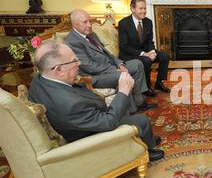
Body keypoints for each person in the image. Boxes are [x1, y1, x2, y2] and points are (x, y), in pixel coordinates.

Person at [28, 40, 164, 161]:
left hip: (84, 119)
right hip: (89, 135)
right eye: (74, 60)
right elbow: (108, 123)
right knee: (142, 120)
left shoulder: (39, 79)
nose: (79, 64)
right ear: (59, 70)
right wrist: (123, 91)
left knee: (126, 113)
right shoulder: (71, 105)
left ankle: (145, 137)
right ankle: (147, 149)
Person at [65, 9, 156, 112]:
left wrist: (119, 64)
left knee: (137, 64)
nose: (89, 25)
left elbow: (107, 53)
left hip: (109, 67)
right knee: (123, 76)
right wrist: (114, 70)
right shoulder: (72, 41)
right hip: (94, 77)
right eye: (85, 22)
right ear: (75, 24)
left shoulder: (91, 35)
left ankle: (139, 102)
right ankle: (131, 110)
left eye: (90, 21)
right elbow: (89, 66)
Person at [118, 0, 171, 96]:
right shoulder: (123, 23)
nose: (144, 11)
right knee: (146, 60)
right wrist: (144, 54)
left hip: (145, 51)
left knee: (164, 56)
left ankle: (159, 82)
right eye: (140, 8)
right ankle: (146, 87)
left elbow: (150, 41)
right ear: (132, 9)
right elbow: (124, 46)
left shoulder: (148, 22)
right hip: (130, 54)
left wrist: (152, 51)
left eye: (145, 8)